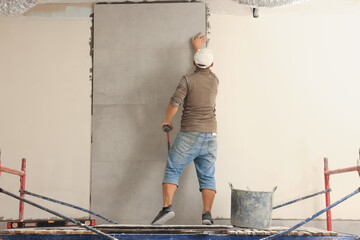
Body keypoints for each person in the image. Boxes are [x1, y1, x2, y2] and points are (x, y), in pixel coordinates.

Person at [151, 33, 219, 225]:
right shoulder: (215, 80)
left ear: (193, 62)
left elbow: (175, 103)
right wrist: (199, 49)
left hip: (190, 133)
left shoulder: (187, 80)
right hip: (211, 136)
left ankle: (166, 209)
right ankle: (207, 214)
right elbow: (205, 66)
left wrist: (167, 120)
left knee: (173, 168)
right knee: (207, 175)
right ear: (212, 66)